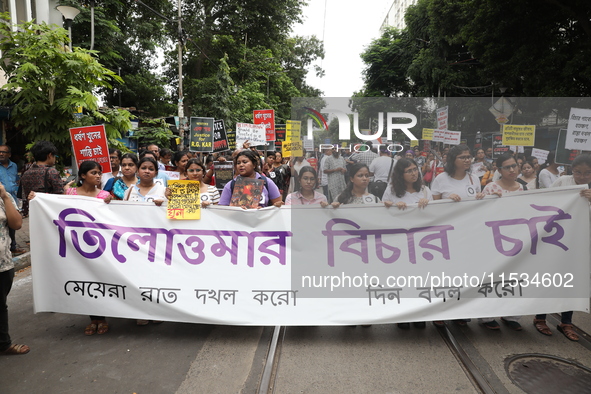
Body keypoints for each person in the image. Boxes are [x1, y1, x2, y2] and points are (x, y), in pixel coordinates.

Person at [533, 153, 591, 341]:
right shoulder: (562, 181)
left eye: (587, 173)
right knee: (549, 277)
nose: (582, 177)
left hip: (581, 242)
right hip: (558, 240)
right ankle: (540, 317)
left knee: (573, 281)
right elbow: (549, 202)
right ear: (571, 170)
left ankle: (566, 321)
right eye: (578, 172)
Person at [430, 144, 484, 327]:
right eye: (463, 157)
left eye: (469, 157)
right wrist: (447, 201)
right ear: (453, 160)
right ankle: (439, 310)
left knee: (463, 274)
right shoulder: (440, 179)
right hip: (446, 235)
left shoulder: (474, 178)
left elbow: (479, 204)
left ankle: (459, 310)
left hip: (468, 234)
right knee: (445, 274)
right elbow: (433, 208)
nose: (468, 160)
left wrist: (481, 198)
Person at [479, 153, 525, 331]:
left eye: (514, 165)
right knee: (492, 277)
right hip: (493, 240)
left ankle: (511, 315)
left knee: (513, 277)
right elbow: (479, 212)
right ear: (499, 170)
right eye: (507, 167)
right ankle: (487, 316)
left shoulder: (522, 188)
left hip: (515, 239)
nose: (512, 170)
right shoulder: (491, 188)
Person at [0, 183, 28, 355]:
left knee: (0, 305)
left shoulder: (5, 198)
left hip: (3, 264)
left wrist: (4, 196)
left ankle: (4, 343)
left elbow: (16, 224)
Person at [218, 149, 283, 208]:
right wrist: (237, 209)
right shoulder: (231, 185)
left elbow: (278, 206)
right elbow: (222, 210)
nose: (241, 165)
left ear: (254, 165)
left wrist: (264, 210)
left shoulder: (267, 182)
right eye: (238, 163)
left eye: (245, 162)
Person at [0, 145, 24, 256]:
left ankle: (12, 247)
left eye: (4, 152)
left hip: (12, 200)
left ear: (9, 154)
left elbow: (16, 179)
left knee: (13, 223)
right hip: (1, 200)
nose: (1, 154)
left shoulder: (14, 166)